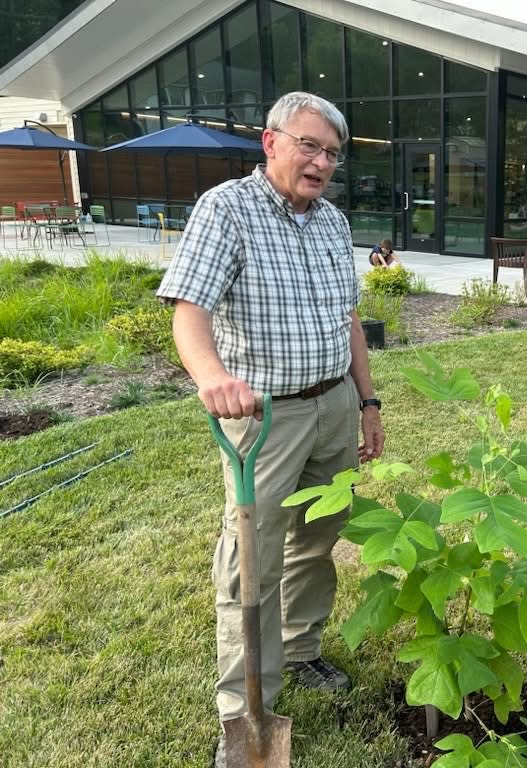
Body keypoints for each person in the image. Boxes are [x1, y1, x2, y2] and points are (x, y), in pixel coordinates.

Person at [156, 91, 385, 765]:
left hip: (334, 403)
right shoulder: (226, 209)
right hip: (263, 418)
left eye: (332, 154)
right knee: (250, 562)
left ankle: (304, 650)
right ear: (271, 142)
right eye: (309, 146)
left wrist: (367, 404)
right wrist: (210, 378)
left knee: (319, 539)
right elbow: (188, 309)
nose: (320, 163)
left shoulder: (334, 223)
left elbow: (349, 321)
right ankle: (244, 706)